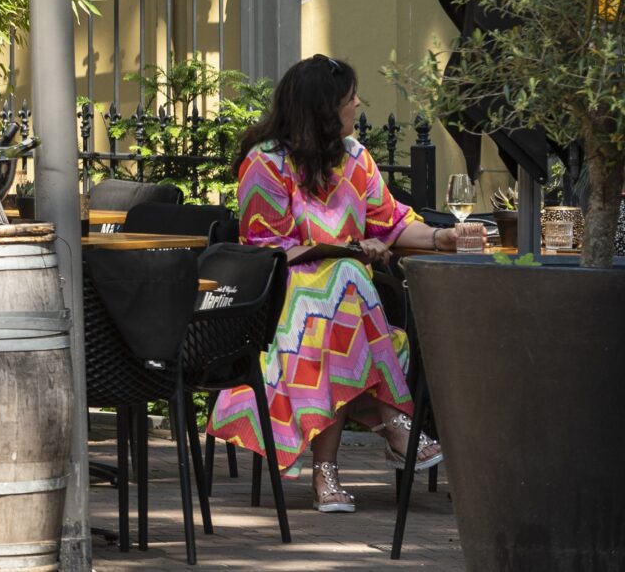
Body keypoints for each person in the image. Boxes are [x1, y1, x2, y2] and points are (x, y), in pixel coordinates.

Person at [204, 54, 486, 513]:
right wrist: (348, 250)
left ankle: (328, 472)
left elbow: (392, 222)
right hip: (280, 299)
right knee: (344, 280)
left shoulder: (355, 158)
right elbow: (268, 249)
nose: (358, 105)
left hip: (341, 311)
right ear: (323, 109)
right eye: (350, 98)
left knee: (341, 296)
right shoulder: (265, 163)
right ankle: (393, 421)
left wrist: (442, 237)